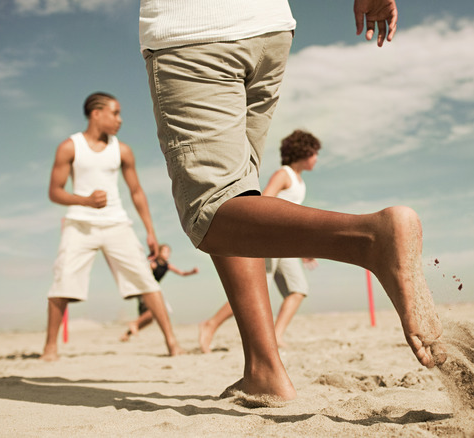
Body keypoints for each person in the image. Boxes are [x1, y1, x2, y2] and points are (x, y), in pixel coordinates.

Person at [139, 0, 445, 401]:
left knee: (211, 211)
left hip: (194, 31)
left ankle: (368, 239)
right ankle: (263, 371)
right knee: (238, 195)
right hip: (268, 30)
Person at [42, 92, 184, 361]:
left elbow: (137, 191)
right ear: (96, 113)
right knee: (62, 281)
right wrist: (84, 200)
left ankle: (172, 343)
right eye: (115, 113)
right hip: (79, 224)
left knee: (145, 280)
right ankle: (50, 347)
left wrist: (150, 232)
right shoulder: (69, 147)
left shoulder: (123, 150)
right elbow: (54, 192)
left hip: (117, 224)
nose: (120, 119)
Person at [199, 130, 321, 353]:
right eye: (315, 153)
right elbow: (265, 202)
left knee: (298, 289)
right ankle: (211, 324)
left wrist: (302, 248)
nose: (317, 158)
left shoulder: (300, 181)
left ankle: (276, 336)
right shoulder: (283, 174)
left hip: (286, 245)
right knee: (251, 291)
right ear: (304, 151)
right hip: (269, 240)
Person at [120, 244, 199, 342]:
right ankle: (134, 323)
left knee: (149, 319)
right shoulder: (153, 264)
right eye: (165, 251)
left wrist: (192, 272)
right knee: (154, 311)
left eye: (169, 252)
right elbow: (142, 274)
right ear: (159, 252)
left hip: (153, 290)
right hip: (145, 290)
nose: (167, 254)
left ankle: (127, 334)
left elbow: (182, 273)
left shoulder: (167, 265)